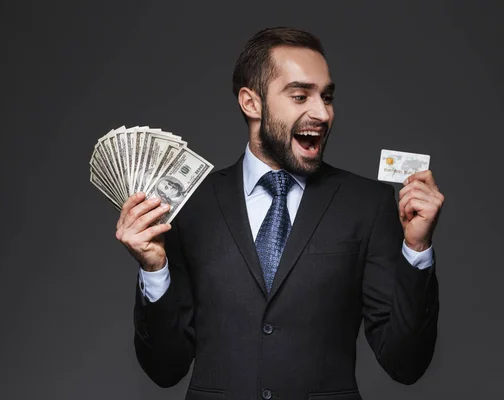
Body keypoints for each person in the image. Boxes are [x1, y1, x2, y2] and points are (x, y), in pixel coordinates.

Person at [115, 27, 444, 400]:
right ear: (251, 103)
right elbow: (164, 369)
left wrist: (417, 250)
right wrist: (154, 271)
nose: (322, 113)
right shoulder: (189, 204)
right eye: (301, 96)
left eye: (328, 97)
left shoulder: (367, 204)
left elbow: (406, 364)